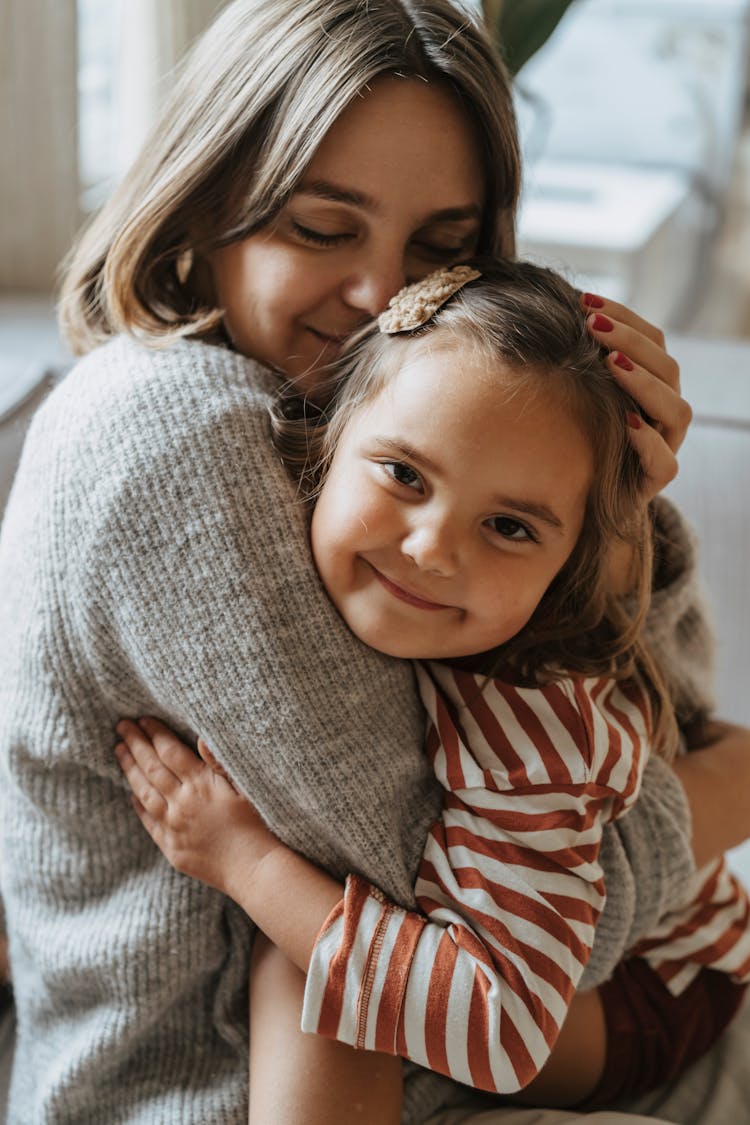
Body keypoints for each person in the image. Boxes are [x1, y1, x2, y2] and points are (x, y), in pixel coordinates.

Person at [0, 0, 747, 1122]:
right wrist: (709, 800)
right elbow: (474, 930)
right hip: (231, 1085)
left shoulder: (378, 423)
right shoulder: (171, 432)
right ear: (206, 205)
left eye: (442, 250)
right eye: (321, 226)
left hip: (482, 1046)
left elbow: (649, 711)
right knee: (304, 970)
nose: (383, 302)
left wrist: (626, 509)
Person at [114, 261, 750, 1123]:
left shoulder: (532, 745)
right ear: (331, 435)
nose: (433, 548)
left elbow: (504, 1023)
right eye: (405, 475)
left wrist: (247, 863)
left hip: (655, 993)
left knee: (305, 968)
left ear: (566, 566)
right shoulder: (257, 552)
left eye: (510, 526)